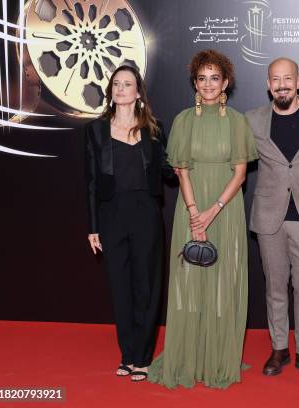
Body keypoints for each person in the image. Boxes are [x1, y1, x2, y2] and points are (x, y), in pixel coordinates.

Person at [147, 49, 258, 389]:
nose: (208, 84)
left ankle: (218, 359)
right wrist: (196, 213)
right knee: (189, 283)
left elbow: (240, 174)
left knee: (225, 282)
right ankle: (188, 357)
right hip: (190, 206)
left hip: (226, 209)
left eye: (215, 78)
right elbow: (181, 170)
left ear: (225, 82)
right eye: (202, 78)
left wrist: (212, 212)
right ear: (194, 82)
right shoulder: (183, 120)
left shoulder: (237, 121)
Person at [246, 58, 299, 381]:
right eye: (275, 79)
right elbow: (234, 159)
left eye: (288, 78)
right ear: (269, 85)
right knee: (275, 286)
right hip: (270, 216)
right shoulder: (252, 120)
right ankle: (279, 347)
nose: (282, 84)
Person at [84, 65, 172, 382]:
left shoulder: (155, 129)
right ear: (111, 92)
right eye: (116, 84)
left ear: (138, 92)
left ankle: (143, 358)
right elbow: (92, 182)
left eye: (127, 84)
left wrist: (188, 162)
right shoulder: (95, 130)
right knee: (120, 288)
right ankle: (128, 354)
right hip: (112, 215)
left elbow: (169, 170)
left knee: (146, 287)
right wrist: (93, 226)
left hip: (146, 212)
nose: (121, 88)